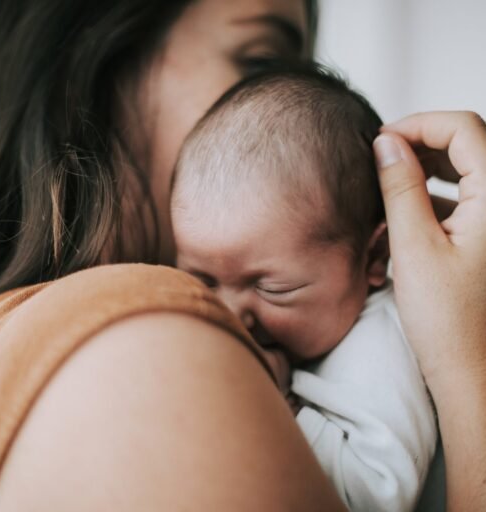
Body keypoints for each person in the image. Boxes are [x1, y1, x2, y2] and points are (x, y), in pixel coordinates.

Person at [0, 1, 486, 511]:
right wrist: (477, 372)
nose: (276, 109)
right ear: (98, 52)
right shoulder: (151, 357)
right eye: (262, 61)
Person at [171, 66, 437, 511]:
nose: (230, 314)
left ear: (374, 257)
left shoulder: (379, 347)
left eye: (272, 288)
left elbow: (374, 496)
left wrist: (277, 404)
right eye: (204, 280)